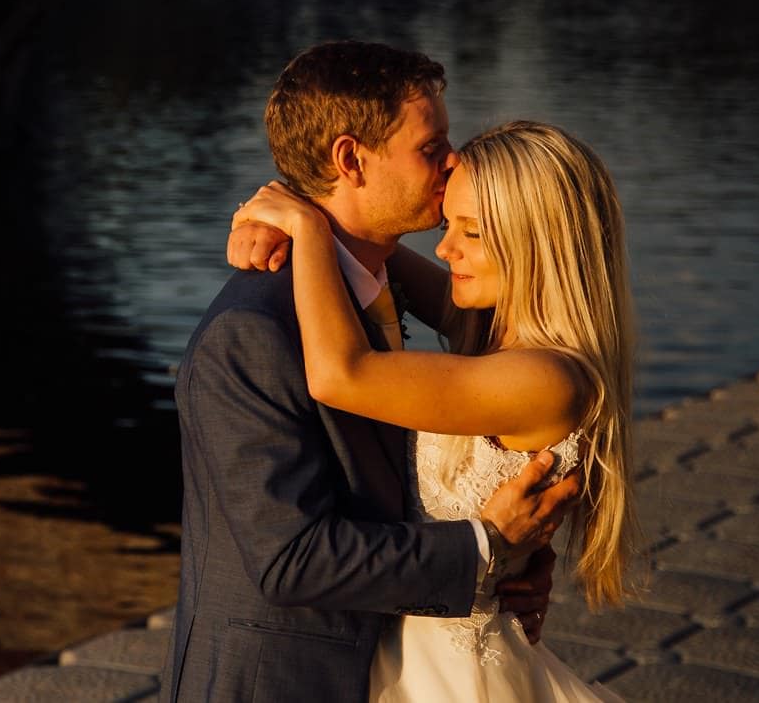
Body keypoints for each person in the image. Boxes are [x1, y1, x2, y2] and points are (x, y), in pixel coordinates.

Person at [161, 41, 582, 703]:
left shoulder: (375, 285)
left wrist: (517, 558)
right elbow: (288, 559)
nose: (454, 160)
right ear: (351, 158)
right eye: (431, 146)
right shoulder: (254, 332)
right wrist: (486, 548)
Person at [232, 116, 638, 701]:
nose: (445, 249)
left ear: (539, 242)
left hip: (450, 674)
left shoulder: (545, 378)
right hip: (413, 645)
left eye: (471, 233)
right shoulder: (496, 328)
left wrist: (302, 225)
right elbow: (369, 246)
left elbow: (340, 375)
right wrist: (282, 212)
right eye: (450, 224)